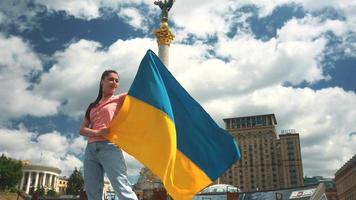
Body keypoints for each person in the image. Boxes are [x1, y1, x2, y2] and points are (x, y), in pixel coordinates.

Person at [80, 70, 138, 200]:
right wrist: (97, 132)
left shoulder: (120, 98)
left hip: (110, 146)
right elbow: (82, 130)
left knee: (121, 186)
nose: (115, 83)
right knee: (92, 191)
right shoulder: (92, 106)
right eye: (111, 79)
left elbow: (140, 92)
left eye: (117, 81)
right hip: (90, 150)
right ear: (102, 81)